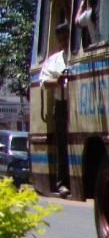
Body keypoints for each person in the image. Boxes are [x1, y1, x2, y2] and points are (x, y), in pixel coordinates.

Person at [39, 22, 71, 197]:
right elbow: (44, 82)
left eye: (66, 38)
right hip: (62, 104)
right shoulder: (55, 60)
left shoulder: (78, 55)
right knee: (62, 145)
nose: (63, 42)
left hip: (80, 103)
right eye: (60, 40)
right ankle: (63, 183)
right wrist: (58, 81)